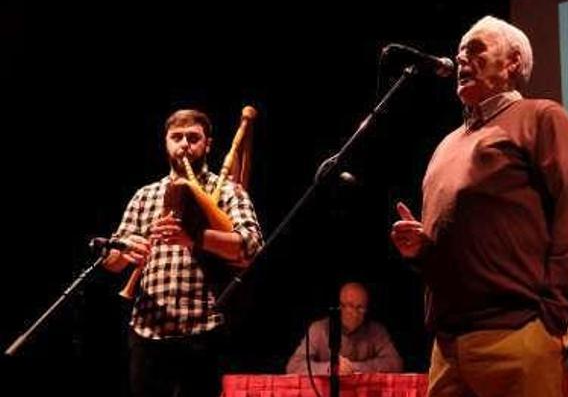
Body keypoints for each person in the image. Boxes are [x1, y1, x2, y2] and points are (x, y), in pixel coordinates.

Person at [390, 16, 568, 397]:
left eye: (475, 50)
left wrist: (551, 319)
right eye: (459, 53)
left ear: (513, 62)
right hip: (448, 346)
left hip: (517, 336)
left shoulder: (541, 118)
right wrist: (422, 250)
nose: (461, 60)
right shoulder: (447, 144)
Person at [103, 108, 263, 397]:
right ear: (166, 142)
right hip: (146, 333)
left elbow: (251, 248)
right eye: (176, 137)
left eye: (193, 137)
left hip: (204, 334)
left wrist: (195, 238)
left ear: (208, 144)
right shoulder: (145, 195)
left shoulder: (227, 192)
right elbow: (112, 262)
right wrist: (127, 249)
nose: (184, 144)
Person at [285, 282, 403, 375]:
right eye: (350, 306)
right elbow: (294, 366)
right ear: (339, 306)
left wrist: (354, 368)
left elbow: (395, 363)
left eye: (360, 308)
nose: (354, 313)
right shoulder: (319, 329)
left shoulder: (376, 331)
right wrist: (330, 368)